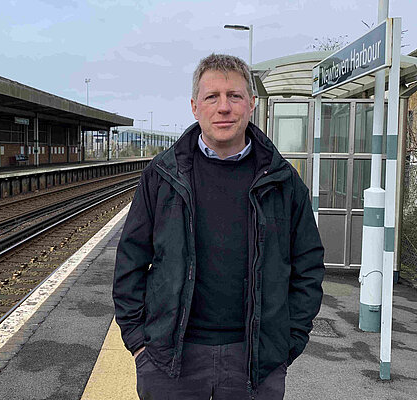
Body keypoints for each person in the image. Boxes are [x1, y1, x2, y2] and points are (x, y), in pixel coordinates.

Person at [113, 53, 325, 400]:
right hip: (170, 361)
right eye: (212, 97)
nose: (223, 107)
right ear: (195, 106)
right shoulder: (162, 177)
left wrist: (288, 345)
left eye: (235, 96)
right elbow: (130, 262)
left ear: (252, 104)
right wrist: (139, 345)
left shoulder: (283, 181)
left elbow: (308, 267)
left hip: (255, 362)